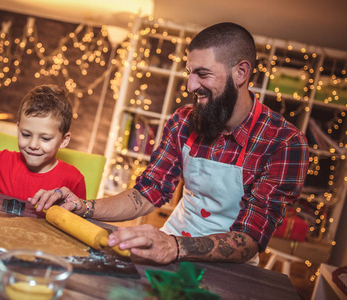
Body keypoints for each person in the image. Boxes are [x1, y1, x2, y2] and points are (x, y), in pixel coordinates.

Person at [31, 23, 309, 265]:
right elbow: (148, 192)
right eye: (189, 72)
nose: (190, 85)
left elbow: (250, 237)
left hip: (231, 266)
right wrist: (83, 206)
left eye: (203, 73)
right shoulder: (182, 121)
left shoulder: (285, 143)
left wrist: (174, 247)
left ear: (241, 72)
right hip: (170, 242)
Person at [0, 84, 86, 201]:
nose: (33, 145)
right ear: (18, 128)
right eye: (26, 134)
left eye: (45, 138)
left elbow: (79, 222)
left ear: (64, 140)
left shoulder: (73, 180)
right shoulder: (3, 161)